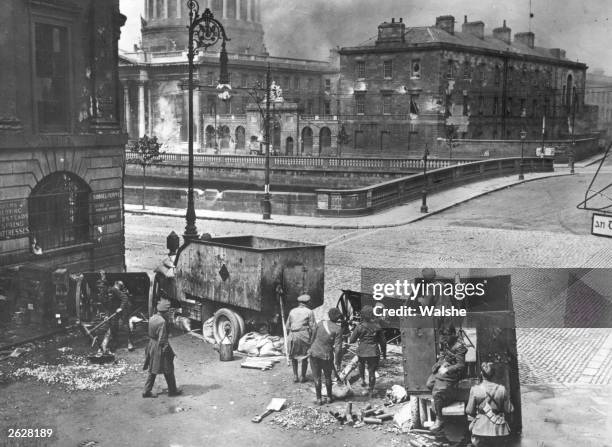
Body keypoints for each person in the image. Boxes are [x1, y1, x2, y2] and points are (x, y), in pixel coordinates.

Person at [428, 325, 467, 434]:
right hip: (445, 366)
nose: (443, 339)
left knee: (436, 392)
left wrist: (447, 369)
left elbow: (461, 365)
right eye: (442, 336)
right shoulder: (446, 343)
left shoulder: (460, 346)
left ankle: (439, 419)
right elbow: (443, 355)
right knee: (429, 384)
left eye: (446, 336)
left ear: (452, 335)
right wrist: (439, 364)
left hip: (454, 372)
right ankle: (444, 399)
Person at [465, 362, 514, 447]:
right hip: (499, 430)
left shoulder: (475, 389)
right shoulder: (502, 389)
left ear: (481, 374)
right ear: (494, 374)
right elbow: (509, 409)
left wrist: (479, 415)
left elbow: (469, 411)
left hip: (480, 430)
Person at [142, 298, 181, 398]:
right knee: (168, 368)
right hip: (159, 346)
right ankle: (172, 391)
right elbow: (162, 339)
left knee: (152, 369)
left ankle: (146, 391)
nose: (169, 313)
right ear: (165, 311)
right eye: (169, 311)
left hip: (151, 345)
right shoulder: (162, 322)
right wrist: (169, 352)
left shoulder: (152, 317)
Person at [308, 308, 344, 405]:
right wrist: (338, 362)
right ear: (338, 318)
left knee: (317, 377)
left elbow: (312, 336)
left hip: (314, 353)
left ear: (329, 315)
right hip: (326, 355)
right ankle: (329, 398)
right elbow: (338, 349)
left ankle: (319, 399)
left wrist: (310, 348)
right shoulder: (338, 329)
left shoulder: (320, 324)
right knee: (328, 377)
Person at [349, 305, 386, 397]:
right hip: (374, 351)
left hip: (362, 351)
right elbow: (383, 342)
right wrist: (384, 354)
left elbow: (351, 340)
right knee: (372, 371)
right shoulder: (377, 326)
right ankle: (371, 390)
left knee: (361, 364)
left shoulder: (359, 327)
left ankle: (362, 379)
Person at [286, 294, 316, 382]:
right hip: (304, 336)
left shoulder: (292, 311)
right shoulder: (309, 312)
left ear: (299, 303)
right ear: (308, 302)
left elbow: (287, 326)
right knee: (305, 357)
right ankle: (302, 376)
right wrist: (312, 339)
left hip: (293, 335)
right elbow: (313, 327)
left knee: (293, 356)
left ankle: (295, 376)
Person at [101, 280, 134, 352]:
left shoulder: (114, 290)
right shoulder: (103, 293)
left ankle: (129, 342)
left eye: (102, 287)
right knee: (113, 326)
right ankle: (115, 342)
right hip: (114, 310)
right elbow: (106, 305)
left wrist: (121, 308)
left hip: (123, 308)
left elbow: (125, 298)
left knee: (125, 325)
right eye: (100, 288)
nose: (101, 289)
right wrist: (107, 315)